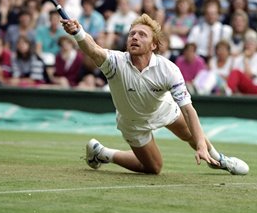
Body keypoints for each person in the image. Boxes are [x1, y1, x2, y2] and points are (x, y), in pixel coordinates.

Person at [60, 13, 249, 175]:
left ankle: (218, 159)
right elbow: (93, 49)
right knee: (154, 168)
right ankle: (101, 152)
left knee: (190, 134)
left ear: (153, 45)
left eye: (142, 35)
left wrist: (201, 145)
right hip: (133, 122)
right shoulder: (115, 63)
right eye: (132, 34)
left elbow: (188, 111)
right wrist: (78, 33)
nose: (135, 37)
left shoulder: (169, 69)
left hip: (163, 109)